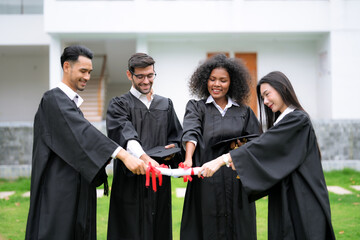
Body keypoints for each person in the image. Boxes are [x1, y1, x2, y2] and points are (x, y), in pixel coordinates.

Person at [25, 45, 147, 240]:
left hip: (76, 193)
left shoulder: (71, 105)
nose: (88, 77)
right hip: (57, 195)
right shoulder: (53, 100)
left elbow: (81, 145)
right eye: (83, 71)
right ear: (67, 67)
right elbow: (83, 134)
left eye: (90, 72)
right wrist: (122, 155)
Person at [200, 71, 336, 240]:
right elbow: (269, 151)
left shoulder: (298, 120)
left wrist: (225, 159)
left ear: (282, 88)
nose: (265, 101)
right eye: (262, 97)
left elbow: (266, 145)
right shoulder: (284, 121)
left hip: (303, 200)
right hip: (287, 197)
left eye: (267, 94)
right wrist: (242, 160)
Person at [180, 54, 260, 240]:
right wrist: (188, 158)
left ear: (232, 82)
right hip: (206, 179)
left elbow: (256, 140)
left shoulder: (244, 111)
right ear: (204, 80)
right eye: (212, 79)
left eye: (223, 80)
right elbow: (191, 131)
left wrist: (243, 144)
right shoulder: (197, 107)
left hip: (236, 180)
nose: (217, 84)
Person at [106, 53, 183, 240]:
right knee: (130, 231)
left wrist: (174, 154)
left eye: (150, 75)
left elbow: (177, 137)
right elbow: (126, 135)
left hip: (159, 181)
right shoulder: (119, 104)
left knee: (159, 229)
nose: (146, 80)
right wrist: (145, 158)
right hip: (130, 182)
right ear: (129, 75)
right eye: (140, 76)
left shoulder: (165, 104)